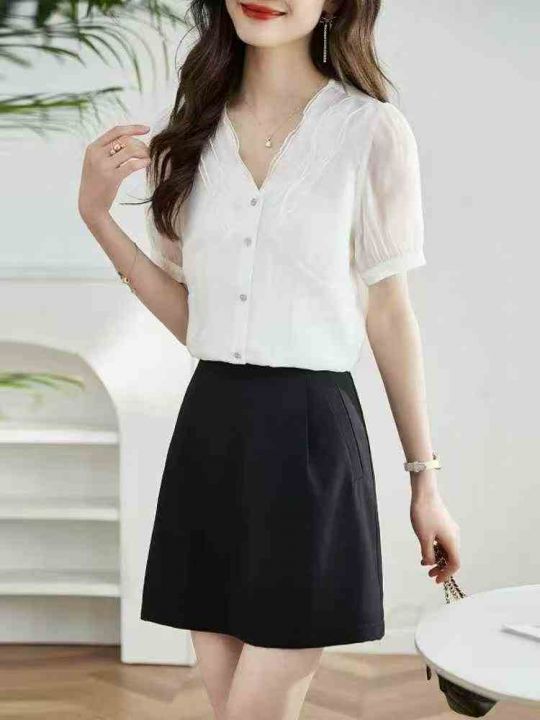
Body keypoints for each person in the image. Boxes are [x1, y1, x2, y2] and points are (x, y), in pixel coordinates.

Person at [78, 0, 461, 717]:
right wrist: (97, 217)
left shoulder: (370, 130)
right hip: (210, 429)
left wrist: (425, 482)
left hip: (312, 438)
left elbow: (388, 313)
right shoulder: (185, 141)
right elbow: (196, 318)